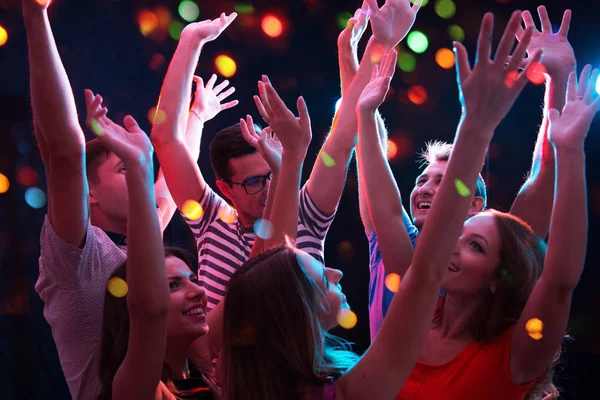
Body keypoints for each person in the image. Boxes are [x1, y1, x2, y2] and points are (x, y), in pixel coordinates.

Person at [219, 7, 542, 398]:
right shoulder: (350, 388)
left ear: (475, 205)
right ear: (292, 311)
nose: (336, 271)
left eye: (445, 183)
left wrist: (370, 52)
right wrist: (476, 125)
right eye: (423, 179)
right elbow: (411, 254)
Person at [362, 8, 597, 400]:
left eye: (474, 244)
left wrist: (560, 91)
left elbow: (558, 278)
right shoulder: (415, 297)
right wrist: (365, 111)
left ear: (500, 275)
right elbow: (384, 207)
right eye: (422, 180)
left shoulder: (513, 352)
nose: (452, 242)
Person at [150, 0, 425, 312]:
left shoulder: (307, 212)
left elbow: (343, 137)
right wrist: (190, 40)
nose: (270, 187)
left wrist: (379, 43)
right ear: (225, 188)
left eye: (272, 171)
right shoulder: (213, 222)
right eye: (254, 181)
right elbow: (166, 139)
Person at [24, 0, 236, 396]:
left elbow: (165, 194)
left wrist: (197, 113)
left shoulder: (137, 253)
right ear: (90, 196)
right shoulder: (77, 258)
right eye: (124, 170)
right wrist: (36, 14)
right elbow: (65, 153)